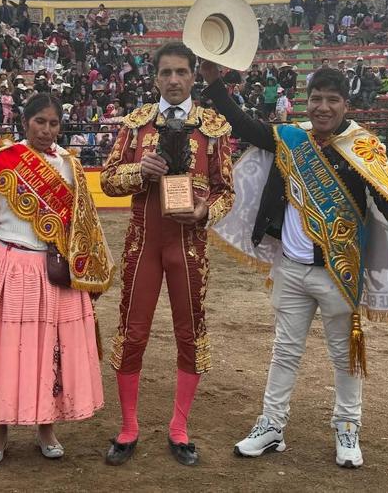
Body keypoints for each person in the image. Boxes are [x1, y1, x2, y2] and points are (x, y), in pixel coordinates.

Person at [201, 63, 388, 469]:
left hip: (340, 272)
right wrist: (214, 83)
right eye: (316, 99)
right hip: (291, 268)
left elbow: (385, 198)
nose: (322, 107)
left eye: (331, 100)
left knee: (344, 356)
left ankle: (347, 427)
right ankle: (271, 425)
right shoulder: (290, 137)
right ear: (308, 101)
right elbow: (242, 125)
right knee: (284, 351)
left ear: (345, 104)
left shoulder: (363, 146)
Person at [0, 93, 115, 465]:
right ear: (25, 121)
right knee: (2, 349)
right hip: (8, 266)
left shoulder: (69, 164)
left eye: (53, 123)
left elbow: (83, 223)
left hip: (52, 272)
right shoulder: (6, 159)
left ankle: (46, 426)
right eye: (40, 122)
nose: (47, 130)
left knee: (50, 350)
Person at [100, 42, 234, 467]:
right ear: (155, 77)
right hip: (144, 242)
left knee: (189, 333)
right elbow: (106, 179)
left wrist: (204, 210)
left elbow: (226, 190)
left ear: (194, 75)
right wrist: (140, 171)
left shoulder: (214, 127)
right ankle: (128, 426)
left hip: (189, 244)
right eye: (166, 73)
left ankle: (179, 428)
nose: (173, 80)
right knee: (133, 330)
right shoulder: (136, 123)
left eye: (181, 72)